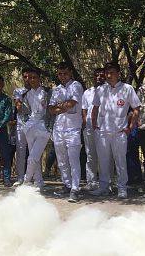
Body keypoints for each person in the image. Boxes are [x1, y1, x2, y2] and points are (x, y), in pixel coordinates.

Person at [91, 62, 141, 199]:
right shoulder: (101, 90)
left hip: (120, 132)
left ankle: (122, 188)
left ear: (118, 73)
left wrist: (130, 127)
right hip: (102, 132)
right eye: (107, 73)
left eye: (112, 73)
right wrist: (95, 124)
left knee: (120, 161)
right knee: (103, 161)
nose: (108, 76)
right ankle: (104, 186)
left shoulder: (127, 89)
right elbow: (95, 108)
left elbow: (136, 109)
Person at [48, 61, 84, 203]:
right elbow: (51, 109)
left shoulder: (76, 86)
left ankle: (75, 188)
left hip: (73, 128)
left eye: (65, 73)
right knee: (62, 160)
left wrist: (60, 106)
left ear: (70, 73)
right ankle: (67, 184)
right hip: (58, 128)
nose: (62, 76)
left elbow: (71, 104)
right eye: (60, 74)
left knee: (73, 159)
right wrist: (62, 107)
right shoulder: (56, 89)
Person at [20, 69, 51, 190]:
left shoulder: (47, 92)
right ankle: (39, 182)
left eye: (34, 77)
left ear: (39, 78)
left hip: (43, 128)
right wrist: (25, 125)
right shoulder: (27, 94)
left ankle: (26, 181)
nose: (31, 80)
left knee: (33, 156)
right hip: (30, 127)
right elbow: (24, 113)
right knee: (35, 157)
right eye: (29, 77)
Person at [81, 68, 106, 191]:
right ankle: (91, 182)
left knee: (105, 155)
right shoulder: (87, 92)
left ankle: (106, 183)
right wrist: (86, 122)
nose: (99, 78)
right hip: (90, 127)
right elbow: (84, 110)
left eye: (102, 75)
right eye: (96, 75)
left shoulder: (108, 91)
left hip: (103, 127)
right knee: (90, 154)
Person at [12, 69, 30, 186]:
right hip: (21, 124)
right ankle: (20, 177)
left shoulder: (39, 91)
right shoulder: (18, 91)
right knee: (20, 151)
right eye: (25, 77)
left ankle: (32, 177)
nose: (27, 79)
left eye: (30, 76)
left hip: (35, 124)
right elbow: (18, 107)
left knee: (34, 152)